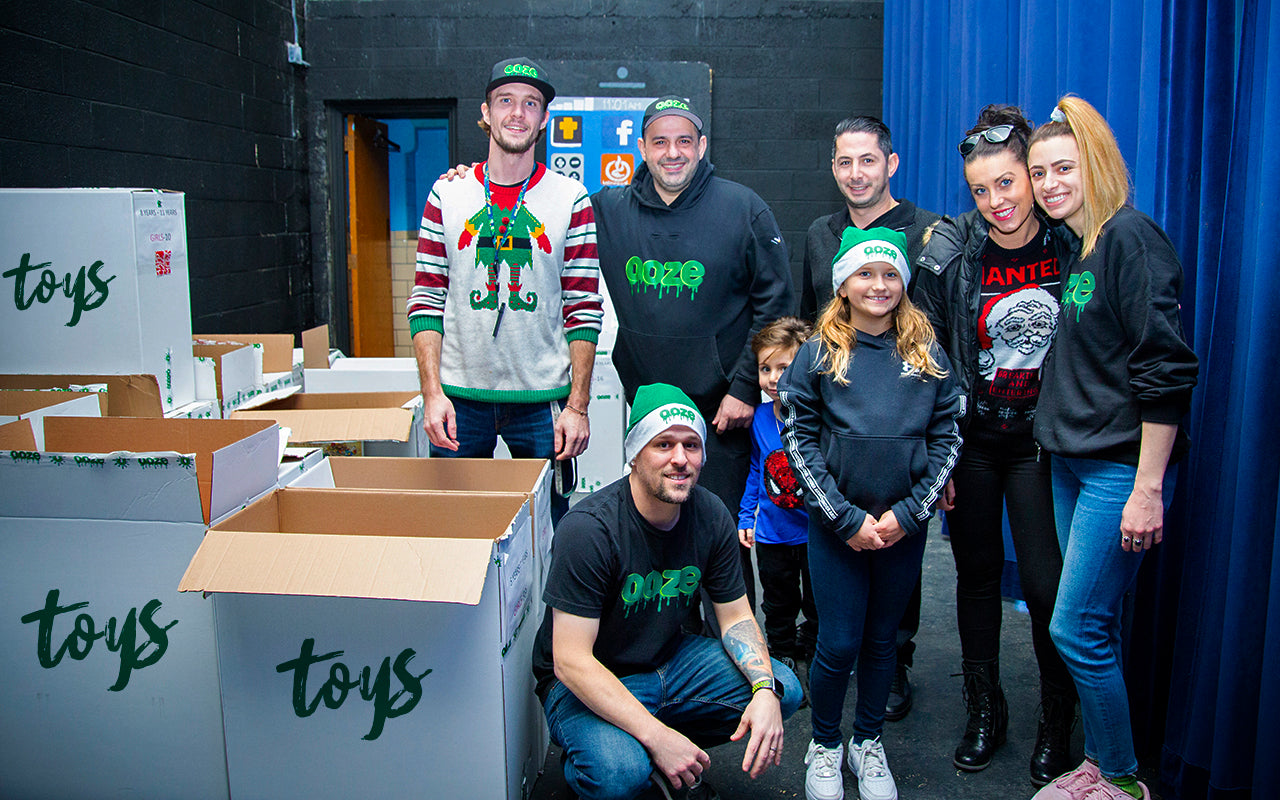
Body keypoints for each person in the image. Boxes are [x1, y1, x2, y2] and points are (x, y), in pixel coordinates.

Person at [1026, 96, 1198, 800]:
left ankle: (1123, 782)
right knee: (1095, 624)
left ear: (1095, 165)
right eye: (1039, 173)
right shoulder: (1084, 247)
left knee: (1075, 627)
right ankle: (1101, 760)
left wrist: (1147, 487)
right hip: (1070, 464)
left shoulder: (1132, 238)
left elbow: (1169, 371)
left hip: (1116, 472)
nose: (1049, 184)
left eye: (1063, 168)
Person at [531, 383, 803, 800]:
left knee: (784, 691)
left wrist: (763, 688)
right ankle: (623, 752)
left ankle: (652, 747)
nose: (680, 459)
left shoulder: (709, 513)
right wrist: (658, 738)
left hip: (670, 662)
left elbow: (736, 617)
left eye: (691, 445)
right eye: (663, 444)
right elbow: (569, 661)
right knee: (618, 775)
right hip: (592, 677)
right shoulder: (590, 529)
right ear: (635, 455)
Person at [913, 104, 1078, 785]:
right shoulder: (955, 251)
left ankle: (1055, 720)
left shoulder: (1069, 247)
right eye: (982, 190)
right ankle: (987, 712)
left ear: (1031, 178)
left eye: (1008, 184)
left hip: (1041, 444)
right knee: (976, 577)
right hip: (976, 442)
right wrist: (939, 454)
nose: (997, 201)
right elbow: (928, 355)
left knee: (1046, 587)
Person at [592, 96, 795, 615]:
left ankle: (737, 665)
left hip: (719, 415)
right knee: (655, 541)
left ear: (702, 147)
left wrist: (745, 388)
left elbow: (775, 303)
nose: (673, 152)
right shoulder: (608, 210)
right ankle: (669, 649)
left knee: (720, 541)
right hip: (649, 415)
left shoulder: (743, 207)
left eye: (684, 141)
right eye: (660, 141)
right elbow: (540, 214)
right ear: (642, 148)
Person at [780, 227, 963, 800]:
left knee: (884, 641)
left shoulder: (927, 353)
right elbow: (798, 438)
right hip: (838, 530)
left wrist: (910, 515)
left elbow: (949, 438)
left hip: (902, 530)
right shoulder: (817, 353)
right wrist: (844, 518)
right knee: (836, 643)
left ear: (903, 284)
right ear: (843, 284)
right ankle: (827, 745)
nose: (878, 284)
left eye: (889, 275)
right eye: (865, 273)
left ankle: (868, 741)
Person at [407, 57, 602, 521]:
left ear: (543, 119)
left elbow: (583, 308)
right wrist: (432, 393)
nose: (518, 112)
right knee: (455, 528)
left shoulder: (570, 198)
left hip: (543, 402)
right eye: (506, 101)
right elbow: (426, 299)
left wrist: (578, 405)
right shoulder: (447, 194)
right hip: (460, 398)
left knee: (552, 530)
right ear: (486, 113)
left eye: (531, 103)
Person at [800, 115, 942, 721]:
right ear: (833, 168)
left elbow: (938, 335)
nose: (856, 173)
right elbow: (811, 322)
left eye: (867, 160)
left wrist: (937, 458)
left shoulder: (927, 231)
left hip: (909, 429)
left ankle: (893, 663)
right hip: (838, 428)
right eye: (843, 162)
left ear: (891, 163)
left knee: (895, 552)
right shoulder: (819, 232)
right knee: (836, 556)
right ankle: (834, 657)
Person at [737, 316, 818, 670]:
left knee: (818, 601)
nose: (773, 379)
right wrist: (745, 516)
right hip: (773, 534)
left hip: (817, 533)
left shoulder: (822, 418)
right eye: (764, 368)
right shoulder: (759, 418)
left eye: (783, 367)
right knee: (778, 600)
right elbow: (757, 470)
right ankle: (782, 654)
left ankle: (817, 652)